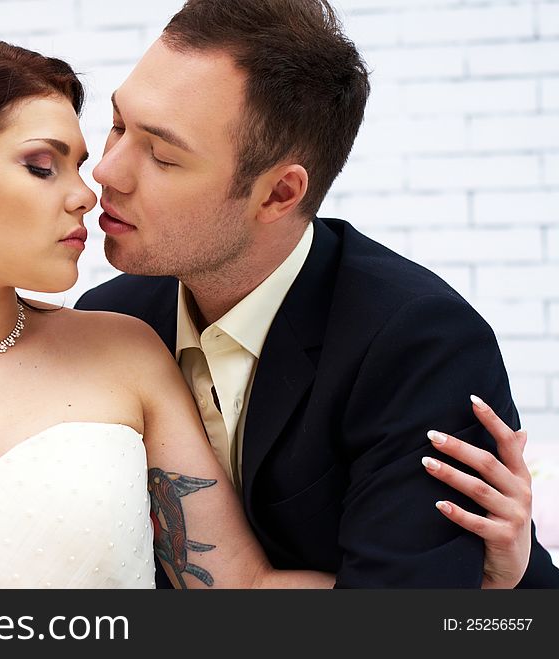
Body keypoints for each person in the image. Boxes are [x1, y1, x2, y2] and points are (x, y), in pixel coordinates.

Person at [0, 39, 531, 590]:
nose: (93, 185)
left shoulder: (120, 346)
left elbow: (235, 591)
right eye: (49, 164)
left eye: (160, 155)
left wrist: (491, 589)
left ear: (279, 191)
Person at [75, 0, 559, 588]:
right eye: (119, 124)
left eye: (163, 155)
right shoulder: (108, 320)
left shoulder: (418, 346)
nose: (106, 171)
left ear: (279, 194)